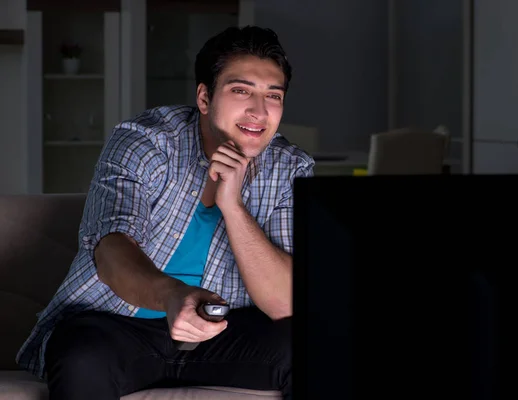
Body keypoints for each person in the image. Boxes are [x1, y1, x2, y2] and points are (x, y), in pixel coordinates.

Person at [16, 25, 313, 400]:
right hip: (119, 327)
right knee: (81, 354)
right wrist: (173, 297)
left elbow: (285, 303)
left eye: (274, 95)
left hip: (224, 333)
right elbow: (110, 249)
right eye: (241, 90)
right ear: (204, 98)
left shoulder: (290, 167)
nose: (259, 111)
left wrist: (233, 207)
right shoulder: (146, 142)